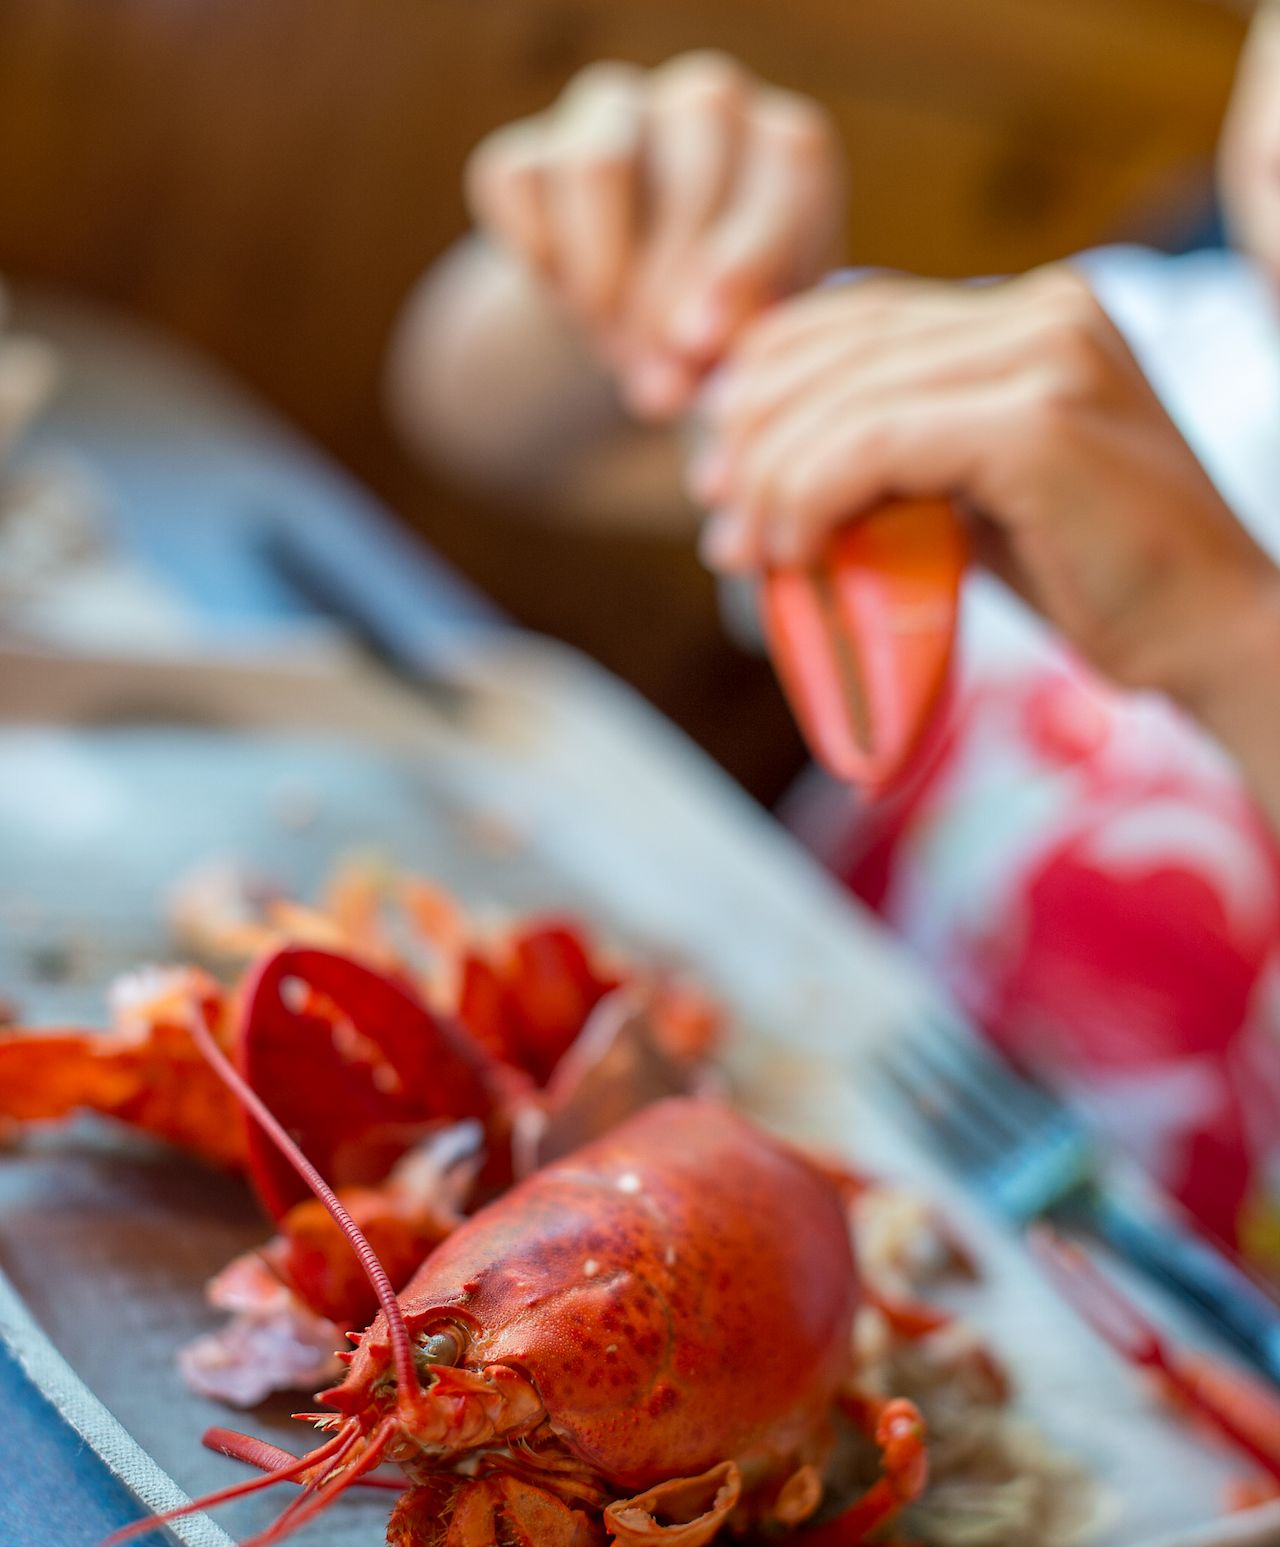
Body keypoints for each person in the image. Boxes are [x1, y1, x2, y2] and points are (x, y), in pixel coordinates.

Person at [385, 24, 1280, 1269]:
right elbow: (494, 427)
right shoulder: (1115, 344)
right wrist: (607, 269)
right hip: (726, 1180)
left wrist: (1231, 641)